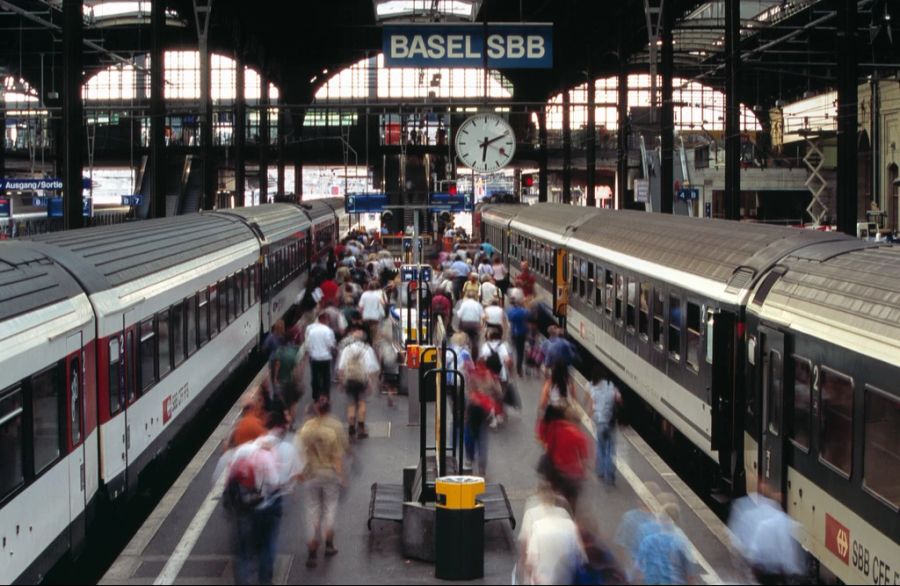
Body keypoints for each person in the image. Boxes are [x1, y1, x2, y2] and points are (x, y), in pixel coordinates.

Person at [296, 396, 349, 569]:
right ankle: (329, 544)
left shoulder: (306, 429)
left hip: (312, 475)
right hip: (329, 475)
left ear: (316, 410)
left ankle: (312, 549)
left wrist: (301, 473)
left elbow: (299, 453)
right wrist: (342, 477)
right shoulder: (333, 429)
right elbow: (337, 457)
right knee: (329, 509)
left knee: (313, 510)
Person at [517, 484, 586, 585]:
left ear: (539, 497)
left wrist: (524, 565)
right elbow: (580, 555)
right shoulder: (565, 516)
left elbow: (526, 547)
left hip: (544, 576)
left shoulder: (534, 520)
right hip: (567, 575)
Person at [538, 403, 591, 511]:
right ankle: (569, 516)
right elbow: (584, 459)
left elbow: (547, 445)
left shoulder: (555, 428)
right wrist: (584, 473)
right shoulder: (579, 436)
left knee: (556, 498)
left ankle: (556, 514)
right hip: (573, 475)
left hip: (556, 471)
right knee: (571, 502)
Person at [634, 502, 697, 585]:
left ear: (659, 520)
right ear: (677, 519)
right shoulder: (681, 541)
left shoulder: (648, 541)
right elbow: (690, 572)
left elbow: (638, 569)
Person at [337, 331, 381, 439]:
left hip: (350, 380)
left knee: (351, 404)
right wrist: (371, 383)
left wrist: (341, 382)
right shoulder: (368, 349)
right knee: (361, 403)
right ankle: (361, 429)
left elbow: (341, 367)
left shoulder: (347, 349)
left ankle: (351, 428)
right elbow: (372, 368)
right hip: (362, 380)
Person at [587, 368, 622, 486]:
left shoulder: (594, 389)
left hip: (600, 423)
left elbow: (591, 407)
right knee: (610, 450)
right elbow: (619, 399)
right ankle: (610, 475)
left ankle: (601, 471)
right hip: (611, 423)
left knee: (600, 447)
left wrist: (590, 417)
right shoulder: (611, 387)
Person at [304, 313, 336, 401]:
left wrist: (310, 354)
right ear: (325, 320)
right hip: (326, 358)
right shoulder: (328, 331)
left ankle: (315, 395)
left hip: (315, 358)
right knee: (326, 377)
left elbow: (308, 345)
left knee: (315, 377)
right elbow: (331, 344)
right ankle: (326, 394)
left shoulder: (311, 331)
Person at [507, 295, 531, 377]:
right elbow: (529, 319)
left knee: (518, 351)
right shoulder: (525, 311)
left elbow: (509, 320)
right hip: (524, 333)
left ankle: (518, 369)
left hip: (514, 333)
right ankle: (524, 369)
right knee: (524, 351)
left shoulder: (511, 311)